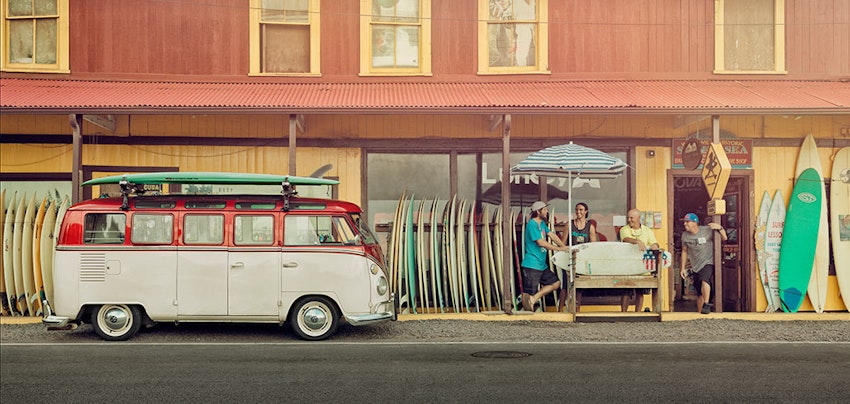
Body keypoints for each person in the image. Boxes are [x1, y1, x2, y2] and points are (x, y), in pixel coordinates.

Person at [521, 201, 568, 312]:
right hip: (532, 264)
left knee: (555, 283)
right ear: (538, 211)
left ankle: (534, 299)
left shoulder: (542, 224)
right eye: (545, 209)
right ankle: (527, 320)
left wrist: (565, 247)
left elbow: (552, 236)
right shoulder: (532, 224)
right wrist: (559, 249)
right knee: (528, 294)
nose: (547, 211)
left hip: (541, 265)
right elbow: (540, 242)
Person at [679, 213, 727, 314]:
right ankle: (700, 313)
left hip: (708, 261)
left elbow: (724, 238)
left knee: (704, 280)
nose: (685, 224)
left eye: (687, 222)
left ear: (695, 223)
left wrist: (720, 227)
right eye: (684, 222)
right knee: (699, 292)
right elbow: (684, 251)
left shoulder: (706, 230)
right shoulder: (685, 236)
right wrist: (682, 268)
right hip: (695, 265)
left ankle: (706, 304)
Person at [557, 202, 597, 311]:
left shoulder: (590, 227)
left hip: (582, 260)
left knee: (578, 287)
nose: (578, 212)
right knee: (565, 286)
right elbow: (563, 242)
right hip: (569, 258)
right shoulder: (569, 225)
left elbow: (594, 246)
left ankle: (577, 310)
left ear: (586, 211)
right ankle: (560, 309)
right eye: (577, 210)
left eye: (581, 210)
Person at [618, 209, 660, 312]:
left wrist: (655, 245)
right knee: (626, 291)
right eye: (628, 217)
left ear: (638, 218)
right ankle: (623, 313)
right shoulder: (624, 229)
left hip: (642, 266)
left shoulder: (647, 230)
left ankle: (638, 313)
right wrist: (637, 241)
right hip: (628, 266)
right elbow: (625, 239)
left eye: (631, 218)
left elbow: (655, 243)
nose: (629, 220)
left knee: (640, 292)